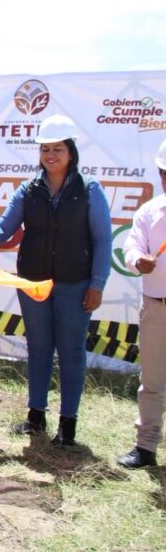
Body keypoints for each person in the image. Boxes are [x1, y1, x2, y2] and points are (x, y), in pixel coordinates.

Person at [0, 115, 110, 445]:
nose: (51, 155)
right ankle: (35, 417)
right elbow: (5, 226)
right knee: (38, 349)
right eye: (45, 149)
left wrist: (97, 284)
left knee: (71, 351)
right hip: (33, 284)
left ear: (71, 152)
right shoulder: (28, 189)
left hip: (75, 284)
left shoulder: (89, 189)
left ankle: (68, 424)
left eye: (58, 149)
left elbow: (103, 240)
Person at [117, 139, 166, 468]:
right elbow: (131, 247)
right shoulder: (150, 211)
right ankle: (146, 446)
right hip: (156, 306)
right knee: (152, 381)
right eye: (164, 174)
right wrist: (138, 261)